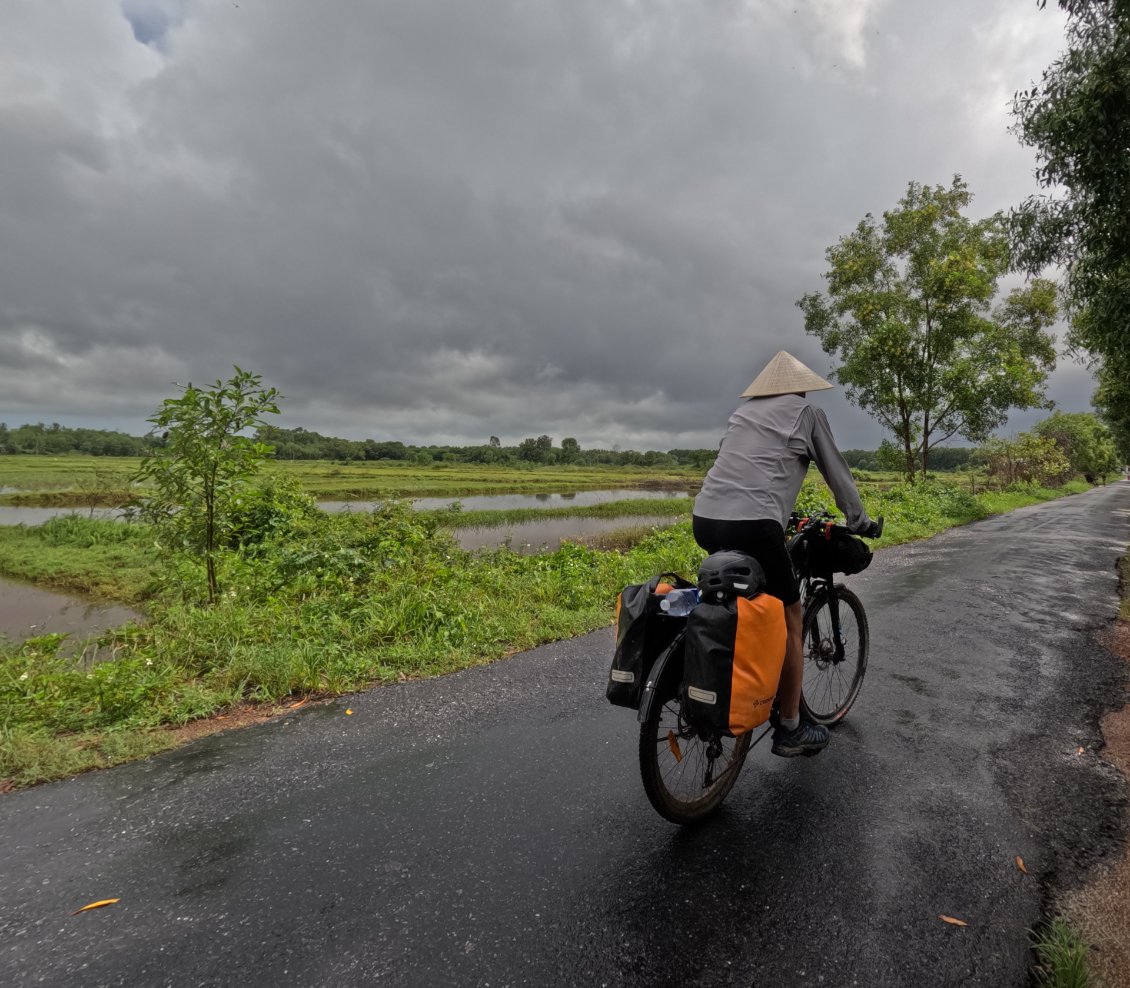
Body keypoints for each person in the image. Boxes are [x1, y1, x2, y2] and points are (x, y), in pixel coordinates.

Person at [692, 350, 878, 758]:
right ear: (800, 387)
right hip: (755, 523)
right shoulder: (806, 413)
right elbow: (837, 473)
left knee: (744, 597)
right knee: (789, 614)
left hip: (705, 518)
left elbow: (746, 468)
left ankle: (735, 679)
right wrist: (860, 521)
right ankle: (791, 727)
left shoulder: (742, 415)